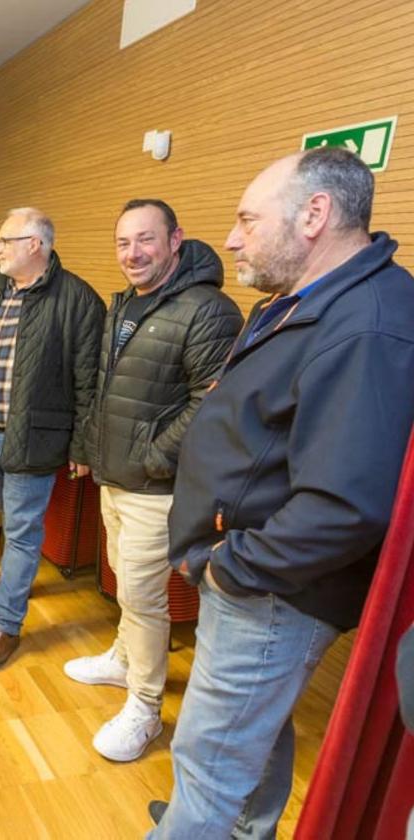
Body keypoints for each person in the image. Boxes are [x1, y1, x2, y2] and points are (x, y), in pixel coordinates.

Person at [150, 147, 414, 838]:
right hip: (255, 575)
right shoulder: (308, 298)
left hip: (271, 592)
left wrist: (229, 569)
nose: (232, 238)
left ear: (315, 215)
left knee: (207, 761)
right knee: (251, 740)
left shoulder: (367, 323)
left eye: (246, 220)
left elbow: (343, 506)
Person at [64, 199, 243, 762]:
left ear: (175, 240)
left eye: (145, 240)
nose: (132, 253)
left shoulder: (208, 310)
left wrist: (149, 457)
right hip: (117, 478)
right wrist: (92, 451)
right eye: (123, 242)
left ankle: (144, 707)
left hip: (155, 485)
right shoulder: (125, 306)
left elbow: (210, 406)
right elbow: (104, 388)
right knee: (124, 580)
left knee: (143, 595)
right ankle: (122, 659)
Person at [0, 207, 105, 672]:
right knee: (12, 522)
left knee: (21, 529)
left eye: (3, 240)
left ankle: (7, 625)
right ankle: (11, 580)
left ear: (34, 245)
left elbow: (87, 381)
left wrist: (81, 447)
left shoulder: (77, 299)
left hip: (35, 438)